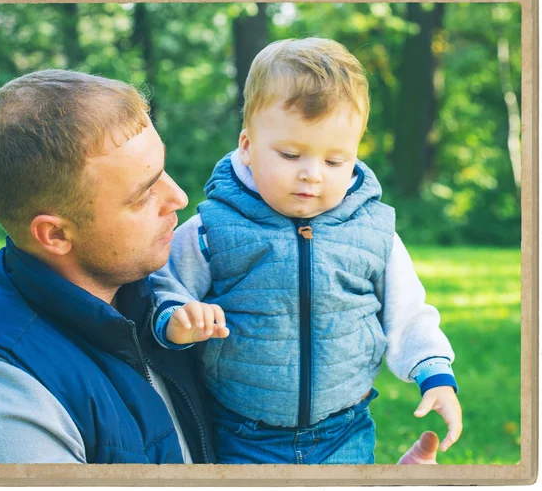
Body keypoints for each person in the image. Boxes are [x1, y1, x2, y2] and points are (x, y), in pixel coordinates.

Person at [149, 38, 463, 464]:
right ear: (246, 144)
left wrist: (434, 373)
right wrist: (177, 317)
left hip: (344, 427)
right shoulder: (213, 228)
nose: (312, 175)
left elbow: (408, 313)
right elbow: (162, 284)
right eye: (291, 154)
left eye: (336, 162)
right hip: (243, 432)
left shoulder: (373, 232)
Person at [0, 69, 216, 464]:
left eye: (162, 172)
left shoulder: (155, 289)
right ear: (55, 235)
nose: (179, 198)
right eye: (144, 195)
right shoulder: (1, 401)